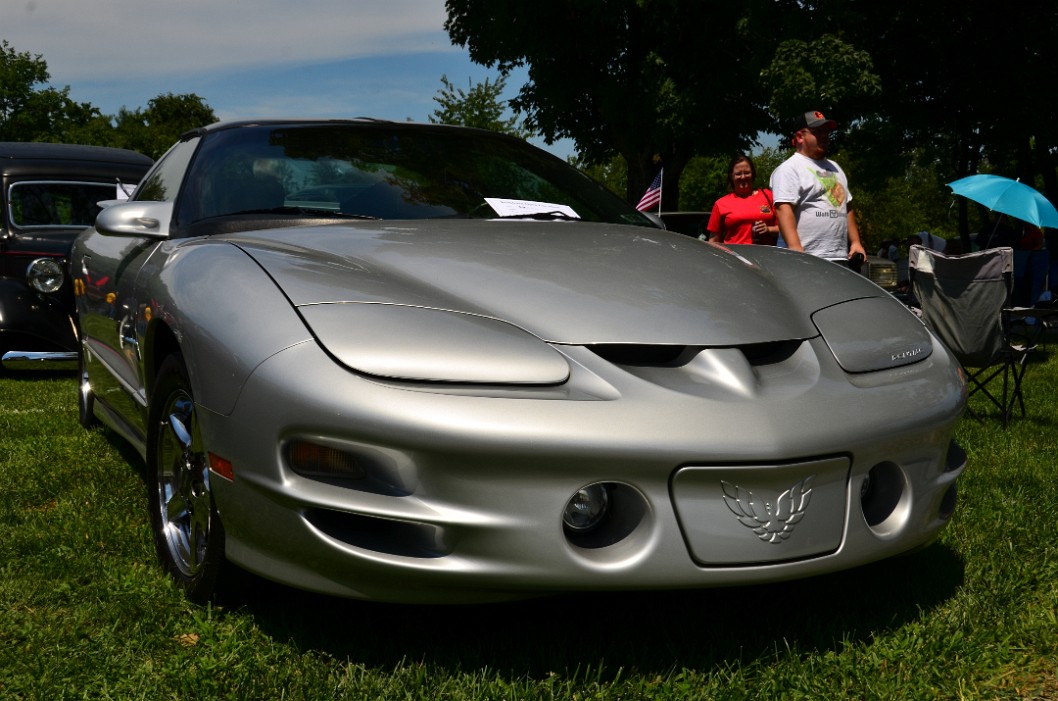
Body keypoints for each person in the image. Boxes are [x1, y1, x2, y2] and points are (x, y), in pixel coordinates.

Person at [769, 110, 866, 262]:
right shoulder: (789, 168)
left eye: (826, 132)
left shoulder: (835, 168)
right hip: (805, 258)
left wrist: (855, 242)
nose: (824, 136)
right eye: (817, 132)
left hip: (839, 257)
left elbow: (847, 206)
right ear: (800, 137)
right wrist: (795, 248)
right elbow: (783, 209)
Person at [706, 154, 779, 245]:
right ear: (731, 176)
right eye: (738, 174)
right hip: (734, 257)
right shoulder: (720, 204)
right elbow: (713, 241)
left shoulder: (768, 196)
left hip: (766, 256)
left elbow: (785, 228)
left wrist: (769, 229)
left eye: (747, 172)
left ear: (752, 173)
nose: (743, 177)